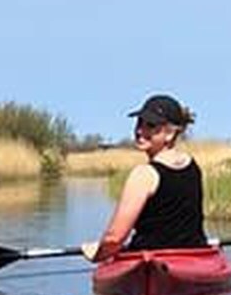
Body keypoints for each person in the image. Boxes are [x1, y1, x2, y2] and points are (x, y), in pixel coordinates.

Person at [80, 95, 214, 262]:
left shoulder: (144, 175)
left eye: (150, 126)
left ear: (170, 133)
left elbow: (114, 239)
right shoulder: (192, 166)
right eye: (139, 123)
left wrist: (97, 254)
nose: (140, 131)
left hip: (150, 262)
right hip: (194, 258)